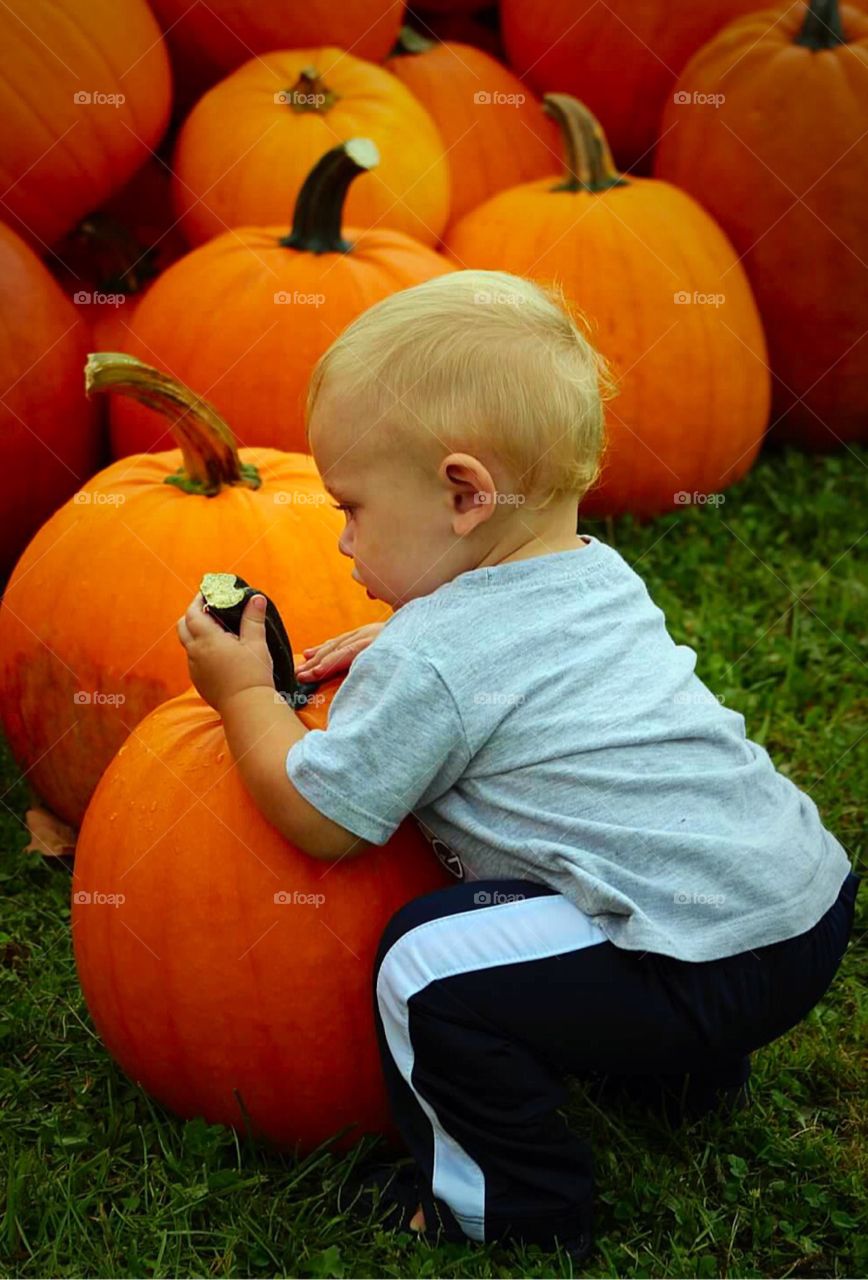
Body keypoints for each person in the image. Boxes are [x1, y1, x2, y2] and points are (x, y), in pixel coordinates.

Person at [177, 269, 861, 1266]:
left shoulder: (433, 661)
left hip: (695, 956)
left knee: (427, 967)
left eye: (354, 506)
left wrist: (243, 694)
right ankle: (681, 1076)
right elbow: (510, 653)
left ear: (463, 492)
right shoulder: (596, 570)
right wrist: (405, 634)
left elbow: (323, 814)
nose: (341, 537)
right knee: (602, 911)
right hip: (799, 907)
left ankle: (511, 1203)